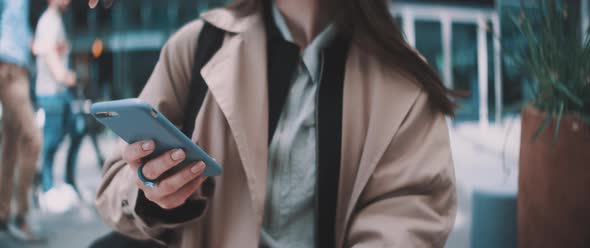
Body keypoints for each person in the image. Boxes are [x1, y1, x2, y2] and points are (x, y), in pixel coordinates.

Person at [96, 0, 457, 247]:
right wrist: (151, 194)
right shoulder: (195, 47)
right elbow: (114, 186)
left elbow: (407, 219)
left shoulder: (404, 85)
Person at [0, 0, 44, 241]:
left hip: (20, 70)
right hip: (8, 69)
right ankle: (21, 215)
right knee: (33, 139)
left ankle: (3, 215)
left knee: (10, 146)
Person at [33, 0, 80, 213]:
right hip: (51, 92)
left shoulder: (58, 20)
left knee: (78, 129)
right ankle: (46, 188)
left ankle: (67, 182)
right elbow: (48, 52)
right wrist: (62, 74)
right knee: (51, 141)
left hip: (60, 92)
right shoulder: (48, 21)